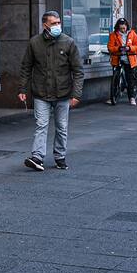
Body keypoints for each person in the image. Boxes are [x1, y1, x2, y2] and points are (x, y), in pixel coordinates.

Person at [18, 10, 84, 172]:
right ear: (45, 25)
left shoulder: (68, 42)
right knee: (41, 125)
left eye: (58, 22)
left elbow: (78, 71)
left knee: (61, 127)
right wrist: (23, 89)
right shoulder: (35, 43)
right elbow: (26, 67)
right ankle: (37, 157)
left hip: (63, 93)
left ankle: (60, 157)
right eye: (54, 23)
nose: (57, 26)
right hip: (41, 92)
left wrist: (76, 94)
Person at [107, 17, 137, 106]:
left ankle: (132, 98)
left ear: (127, 26)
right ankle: (113, 96)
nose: (123, 30)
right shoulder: (113, 35)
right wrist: (118, 48)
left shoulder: (132, 34)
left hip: (129, 59)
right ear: (118, 27)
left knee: (130, 79)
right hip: (118, 58)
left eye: (124, 28)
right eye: (121, 28)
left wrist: (129, 48)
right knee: (115, 79)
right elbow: (110, 47)